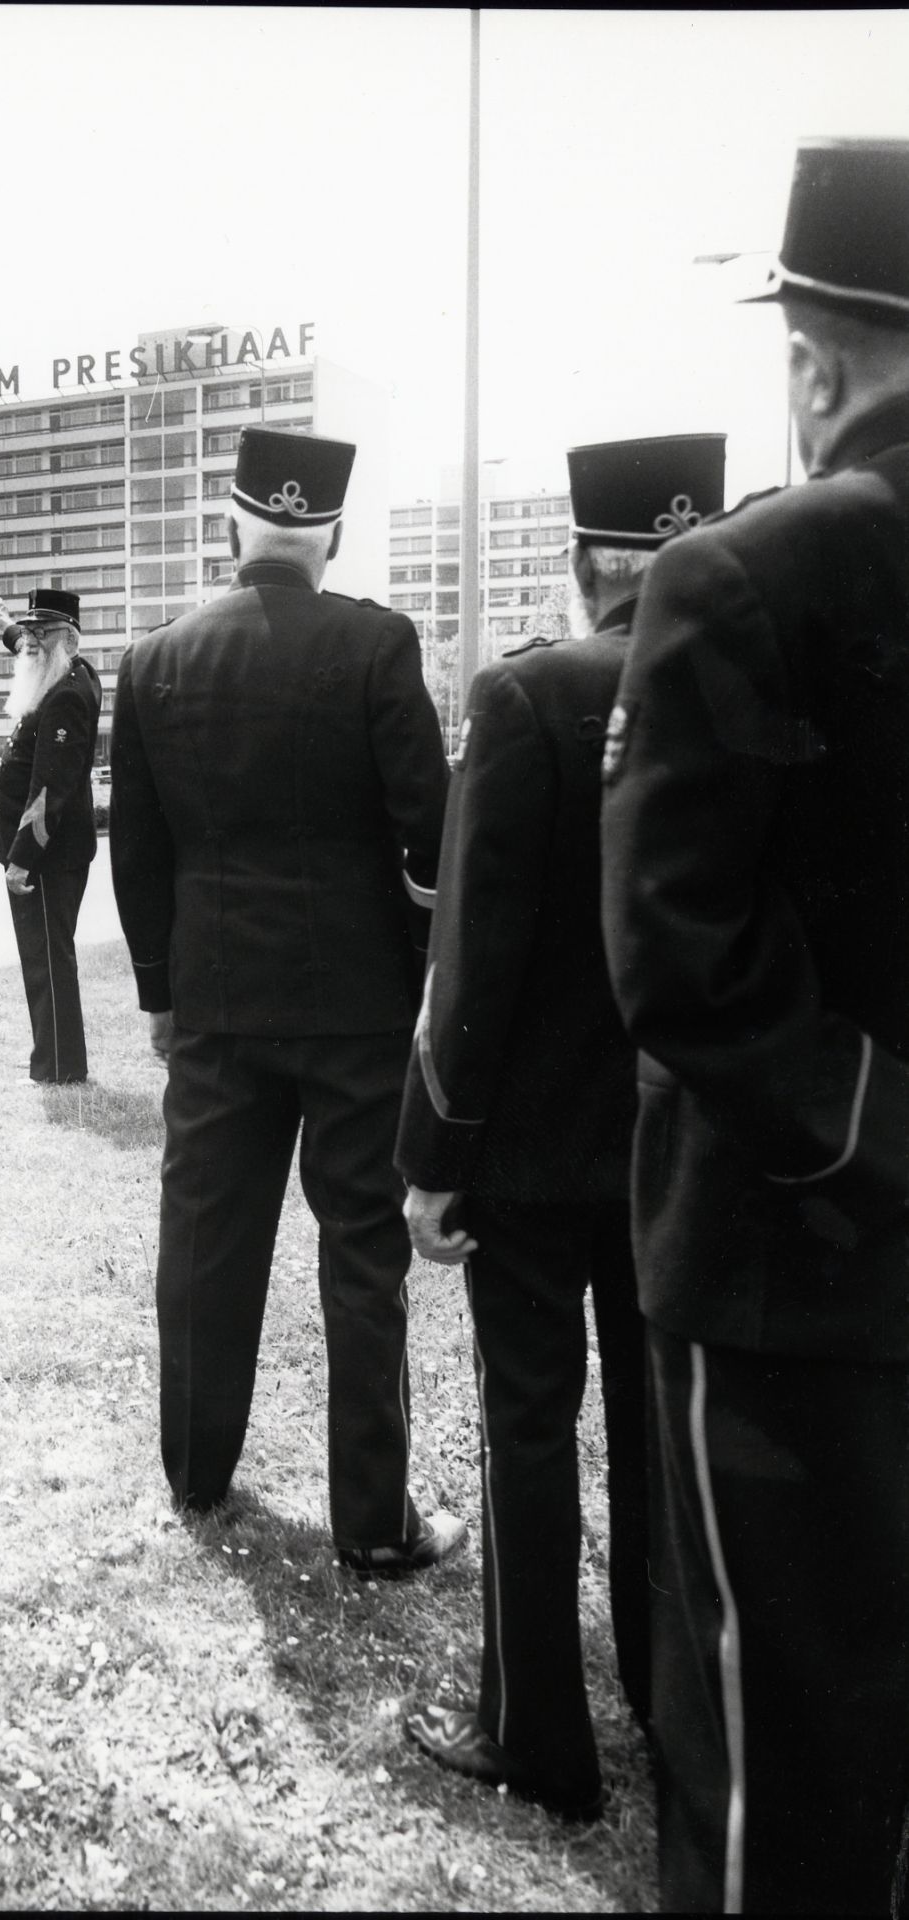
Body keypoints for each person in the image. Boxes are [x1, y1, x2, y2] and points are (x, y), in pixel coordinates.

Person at [601, 137, 909, 1913]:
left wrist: (874, 1135)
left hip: (788, 1270)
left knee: (764, 1766)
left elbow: (672, 955)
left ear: (811, 359)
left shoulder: (739, 576)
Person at [396, 433, 727, 1820]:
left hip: (532, 1154)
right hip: (682, 1150)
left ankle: (540, 1734)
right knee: (659, 1431)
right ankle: (665, 1705)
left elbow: (472, 966)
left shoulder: (528, 697)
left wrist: (434, 1157)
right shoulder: (740, 687)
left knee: (531, 1429)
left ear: (587, 561)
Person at [110, 425, 462, 1573]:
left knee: (206, 1242)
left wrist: (161, 991)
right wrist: (415, 964)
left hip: (212, 1002)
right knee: (362, 1253)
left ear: (232, 526)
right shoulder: (376, 643)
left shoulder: (157, 658)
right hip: (357, 1007)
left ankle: (197, 1477)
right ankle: (373, 1523)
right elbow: (432, 830)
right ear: (334, 535)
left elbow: (141, 856)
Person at [0, 588, 104, 1085]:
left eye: (40, 634)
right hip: (50, 852)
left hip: (48, 855)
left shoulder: (67, 696)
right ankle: (52, 1057)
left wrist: (22, 858)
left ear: (68, 640)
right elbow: (24, 646)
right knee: (45, 955)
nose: (28, 643)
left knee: (48, 959)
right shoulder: (62, 670)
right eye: (28, 634)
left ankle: (58, 1067)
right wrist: (3, 622)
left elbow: (47, 790)